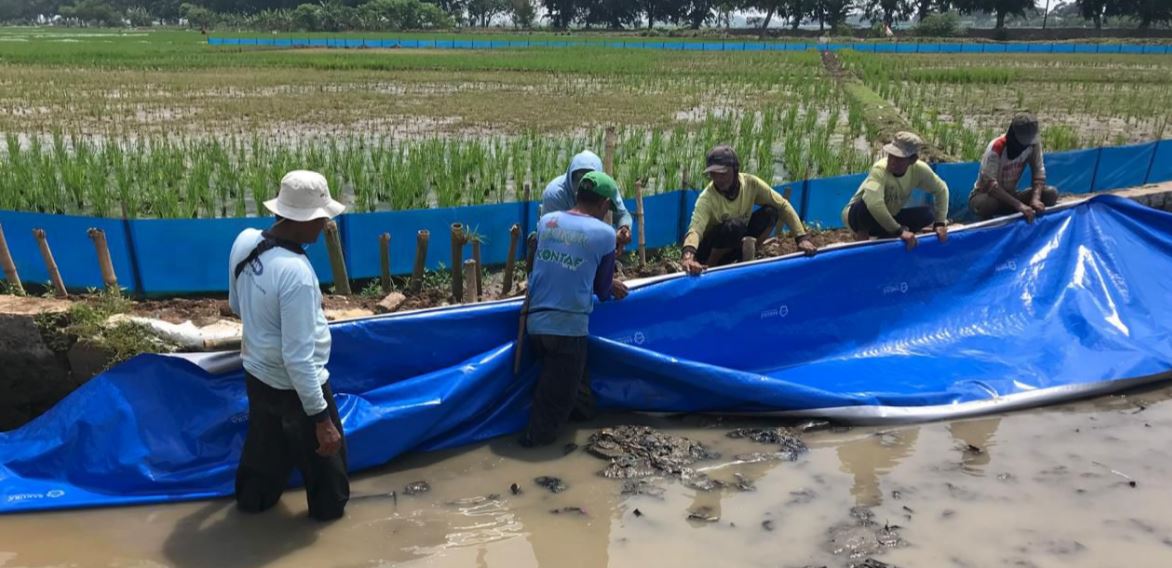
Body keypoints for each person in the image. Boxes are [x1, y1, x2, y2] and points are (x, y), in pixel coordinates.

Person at [228, 170, 349, 522]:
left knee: (263, 456)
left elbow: (237, 305)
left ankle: (251, 511)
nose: (325, 223)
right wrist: (321, 418)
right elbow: (299, 359)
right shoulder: (296, 273)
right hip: (297, 388)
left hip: (256, 374)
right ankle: (328, 529)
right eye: (322, 216)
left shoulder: (245, 241)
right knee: (328, 471)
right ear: (305, 220)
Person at [521, 171, 629, 448]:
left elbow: (537, 265)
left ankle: (585, 425)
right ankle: (536, 453)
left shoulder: (548, 222)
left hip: (534, 322)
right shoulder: (605, 235)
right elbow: (603, 290)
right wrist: (611, 286)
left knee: (575, 389)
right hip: (568, 329)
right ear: (605, 205)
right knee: (554, 403)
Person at [681, 145, 815, 276]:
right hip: (710, 250)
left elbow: (782, 205)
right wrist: (688, 256)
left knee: (770, 212)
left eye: (723, 173)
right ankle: (710, 268)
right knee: (734, 226)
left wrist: (801, 238)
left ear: (735, 169)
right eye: (713, 174)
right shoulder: (707, 198)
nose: (718, 179)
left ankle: (749, 254)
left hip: (738, 240)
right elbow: (695, 229)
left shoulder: (751, 184)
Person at [842, 131, 950, 252]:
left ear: (912, 160)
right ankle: (862, 243)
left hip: (889, 216)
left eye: (899, 158)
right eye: (891, 155)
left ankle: (888, 237)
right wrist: (899, 231)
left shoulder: (919, 170)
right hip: (858, 218)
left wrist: (940, 223)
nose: (892, 161)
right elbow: (874, 204)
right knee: (864, 206)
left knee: (927, 214)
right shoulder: (879, 170)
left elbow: (941, 189)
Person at [969, 113, 1058, 222]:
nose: (1025, 146)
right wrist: (1019, 205)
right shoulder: (997, 147)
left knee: (1050, 194)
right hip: (987, 196)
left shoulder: (1033, 144)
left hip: (1012, 196)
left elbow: (1039, 172)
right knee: (987, 204)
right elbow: (990, 185)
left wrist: (1035, 199)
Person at [542, 150, 633, 250]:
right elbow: (556, 235)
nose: (583, 184)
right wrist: (608, 239)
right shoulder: (554, 194)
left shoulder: (604, 186)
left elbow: (622, 214)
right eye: (578, 178)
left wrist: (624, 229)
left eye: (589, 179)